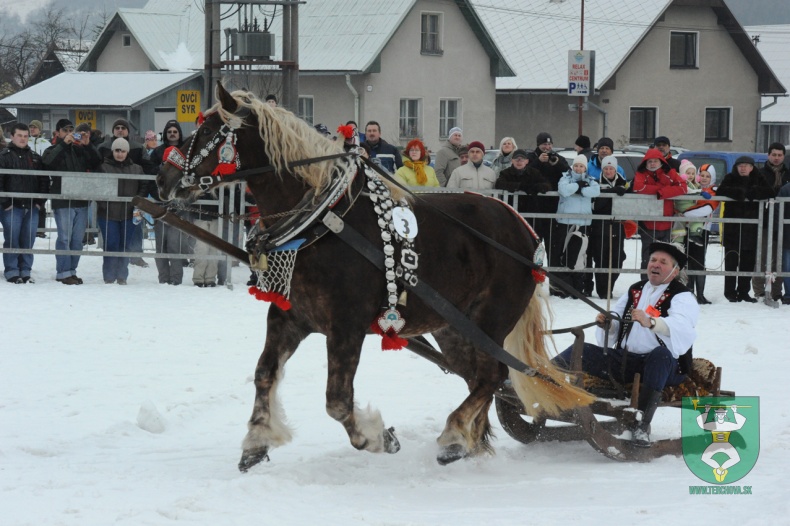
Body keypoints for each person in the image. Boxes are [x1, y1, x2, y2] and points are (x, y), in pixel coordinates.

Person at [553, 242, 699, 446]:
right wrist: (607, 323)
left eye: (663, 262)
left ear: (674, 271)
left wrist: (652, 322)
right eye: (653, 260)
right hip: (626, 363)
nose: (655, 265)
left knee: (660, 355)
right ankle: (538, 379)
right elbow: (615, 322)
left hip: (665, 367)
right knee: (582, 350)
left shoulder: (682, 296)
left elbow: (683, 328)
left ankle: (640, 425)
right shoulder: (635, 290)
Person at [42, 118, 102, 285]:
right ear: (58, 133)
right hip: (62, 201)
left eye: (71, 130)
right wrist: (63, 145)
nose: (69, 133)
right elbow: (47, 163)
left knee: (77, 240)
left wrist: (88, 144)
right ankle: (63, 272)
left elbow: (97, 162)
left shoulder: (80, 150)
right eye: (65, 130)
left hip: (81, 201)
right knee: (64, 238)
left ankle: (71, 270)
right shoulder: (52, 149)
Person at [716, 156, 774, 303]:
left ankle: (743, 292)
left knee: (747, 262)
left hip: (751, 229)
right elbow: (721, 191)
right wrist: (740, 193)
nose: (743, 168)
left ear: (752, 167)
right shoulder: (730, 178)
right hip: (733, 229)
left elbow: (770, 191)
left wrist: (754, 192)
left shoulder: (758, 178)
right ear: (736, 167)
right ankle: (729, 292)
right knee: (731, 261)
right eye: (740, 165)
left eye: (746, 165)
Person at [98, 118, 151, 267]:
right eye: (117, 127)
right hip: (111, 203)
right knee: (112, 239)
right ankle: (111, 268)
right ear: (113, 131)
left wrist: (141, 197)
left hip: (132, 197)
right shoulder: (103, 147)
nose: (120, 130)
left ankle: (136, 256)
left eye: (123, 127)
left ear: (128, 131)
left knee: (135, 230)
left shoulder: (138, 147)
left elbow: (148, 167)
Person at [0, 123, 48, 283]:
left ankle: (25, 270)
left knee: (28, 239)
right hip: (11, 206)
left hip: (31, 206)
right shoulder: (4, 156)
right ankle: (12, 270)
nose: (22, 139)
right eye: (19, 135)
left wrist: (39, 202)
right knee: (12, 238)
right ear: (12, 136)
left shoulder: (35, 157)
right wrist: (6, 202)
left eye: (25, 136)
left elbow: (44, 180)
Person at [527, 132, 570, 295]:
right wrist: (538, 162)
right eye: (544, 144)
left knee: (555, 249)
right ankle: (531, 285)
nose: (547, 147)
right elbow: (527, 173)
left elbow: (567, 172)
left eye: (549, 144)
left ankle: (556, 287)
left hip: (553, 211)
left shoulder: (558, 158)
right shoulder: (531, 158)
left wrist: (557, 163)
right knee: (534, 250)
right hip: (535, 211)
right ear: (538, 145)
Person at [631, 148, 687, 272]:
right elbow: (638, 188)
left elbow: (683, 187)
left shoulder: (670, 173)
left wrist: (663, 192)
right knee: (648, 258)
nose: (652, 164)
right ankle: (645, 285)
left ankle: (663, 285)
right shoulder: (641, 173)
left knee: (665, 259)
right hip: (648, 225)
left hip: (667, 223)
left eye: (655, 161)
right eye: (649, 161)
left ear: (661, 161)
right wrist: (661, 189)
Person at [149, 120, 190, 285]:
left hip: (179, 208)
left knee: (174, 244)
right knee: (161, 246)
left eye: (175, 131)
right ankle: (163, 278)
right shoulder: (157, 153)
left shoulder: (187, 149)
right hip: (160, 207)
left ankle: (176, 279)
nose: (172, 134)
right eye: (169, 131)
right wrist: (158, 197)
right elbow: (149, 178)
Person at [554, 155, 600, 293]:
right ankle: (564, 287)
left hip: (583, 223)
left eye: (581, 166)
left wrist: (578, 190)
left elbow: (595, 191)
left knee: (580, 256)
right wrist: (579, 186)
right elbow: (563, 190)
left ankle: (579, 287)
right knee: (564, 255)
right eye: (576, 166)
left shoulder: (591, 180)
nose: (578, 169)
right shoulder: (565, 178)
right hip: (565, 222)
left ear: (585, 168)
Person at [752, 142, 790, 303]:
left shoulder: (788, 174)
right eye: (773, 154)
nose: (776, 158)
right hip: (765, 221)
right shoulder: (760, 173)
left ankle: (776, 291)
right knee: (762, 257)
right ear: (768, 155)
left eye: (779, 155)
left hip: (784, 222)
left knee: (779, 259)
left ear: (783, 156)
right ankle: (760, 290)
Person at [589, 155, 628, 299]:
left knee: (618, 258)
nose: (608, 171)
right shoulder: (595, 183)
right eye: (606, 168)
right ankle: (602, 290)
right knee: (600, 258)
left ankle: (609, 286)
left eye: (611, 168)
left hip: (618, 225)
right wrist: (611, 193)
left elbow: (630, 205)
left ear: (615, 169)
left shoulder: (624, 182)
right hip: (600, 225)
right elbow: (596, 206)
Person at [494, 148, 553, 239]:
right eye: (517, 159)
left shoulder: (534, 173)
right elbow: (499, 184)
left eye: (522, 159)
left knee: (532, 239)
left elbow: (547, 185)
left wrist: (534, 188)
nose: (519, 161)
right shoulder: (506, 173)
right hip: (511, 214)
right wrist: (520, 186)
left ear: (527, 161)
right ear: (512, 161)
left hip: (531, 213)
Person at [682, 164, 719, 304]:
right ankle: (689, 291)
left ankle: (701, 294)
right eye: (702, 175)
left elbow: (706, 208)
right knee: (687, 260)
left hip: (703, 230)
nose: (704, 178)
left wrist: (685, 214)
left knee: (699, 261)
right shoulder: (691, 187)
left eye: (707, 176)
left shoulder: (714, 190)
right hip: (686, 229)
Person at [28, 120, 52, 239]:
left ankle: (40, 229)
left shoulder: (45, 143)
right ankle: (29, 228)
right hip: (28, 177)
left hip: (41, 178)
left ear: (40, 129)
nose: (32, 129)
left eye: (35, 127)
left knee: (41, 204)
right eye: (31, 127)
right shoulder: (25, 141)